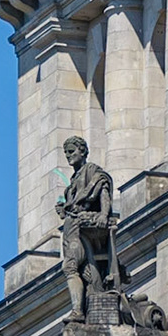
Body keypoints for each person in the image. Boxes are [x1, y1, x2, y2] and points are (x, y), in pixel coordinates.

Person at [56, 137, 119, 322]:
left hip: (82, 227)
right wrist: (64, 209)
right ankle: (88, 303)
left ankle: (77, 311)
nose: (68, 156)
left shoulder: (91, 170)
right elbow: (72, 203)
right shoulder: (74, 179)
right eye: (66, 152)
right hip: (71, 227)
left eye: (71, 151)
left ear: (82, 151)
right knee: (86, 273)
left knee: (70, 266)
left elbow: (103, 188)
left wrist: (104, 214)